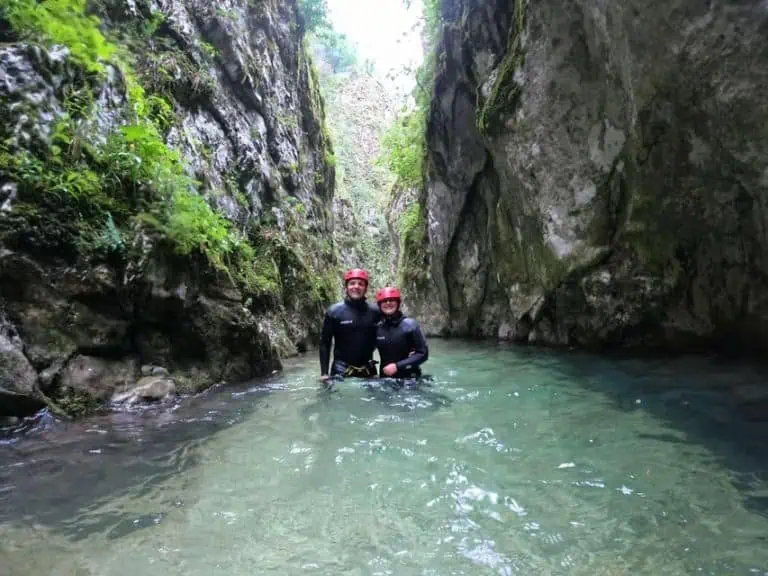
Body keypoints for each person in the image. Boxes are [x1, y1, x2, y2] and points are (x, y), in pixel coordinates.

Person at [319, 268, 381, 381]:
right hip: (340, 370)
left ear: (365, 288)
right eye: (352, 283)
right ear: (346, 287)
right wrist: (324, 373)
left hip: (368, 370)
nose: (356, 286)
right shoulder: (334, 312)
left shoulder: (375, 312)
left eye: (360, 284)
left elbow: (390, 333)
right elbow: (325, 343)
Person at [374, 286, 428, 379]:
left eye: (391, 300)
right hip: (385, 380)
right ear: (379, 305)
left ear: (398, 303)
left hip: (410, 380)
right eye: (384, 301)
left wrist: (397, 366)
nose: (388, 303)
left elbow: (423, 354)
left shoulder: (410, 325)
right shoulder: (378, 328)